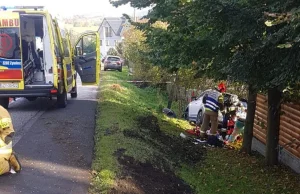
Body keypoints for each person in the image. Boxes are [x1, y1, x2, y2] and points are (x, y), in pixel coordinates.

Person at [0, 105, 21, 175]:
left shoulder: (1, 111)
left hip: (3, 144)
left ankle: (8, 163)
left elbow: (7, 131)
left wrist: (6, 138)